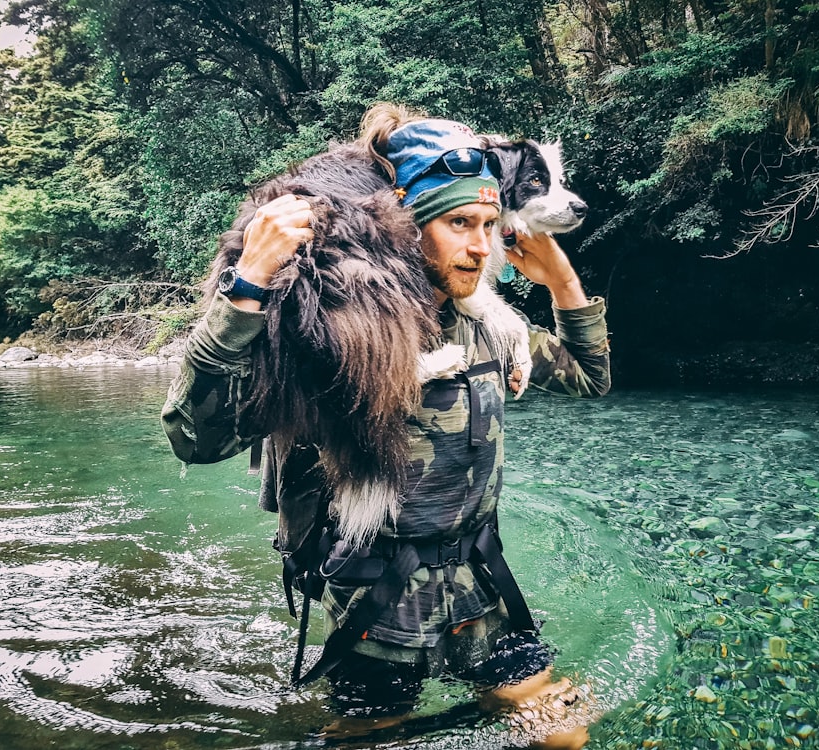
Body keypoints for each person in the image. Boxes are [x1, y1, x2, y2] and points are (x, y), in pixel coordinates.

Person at [161, 103, 610, 749]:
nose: (481, 245)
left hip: (481, 584)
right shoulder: (336, 337)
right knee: (369, 736)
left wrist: (559, 275)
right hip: (376, 601)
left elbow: (587, 377)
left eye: (488, 223)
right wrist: (248, 290)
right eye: (459, 223)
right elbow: (195, 441)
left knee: (563, 736)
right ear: (407, 228)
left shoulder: (486, 325)